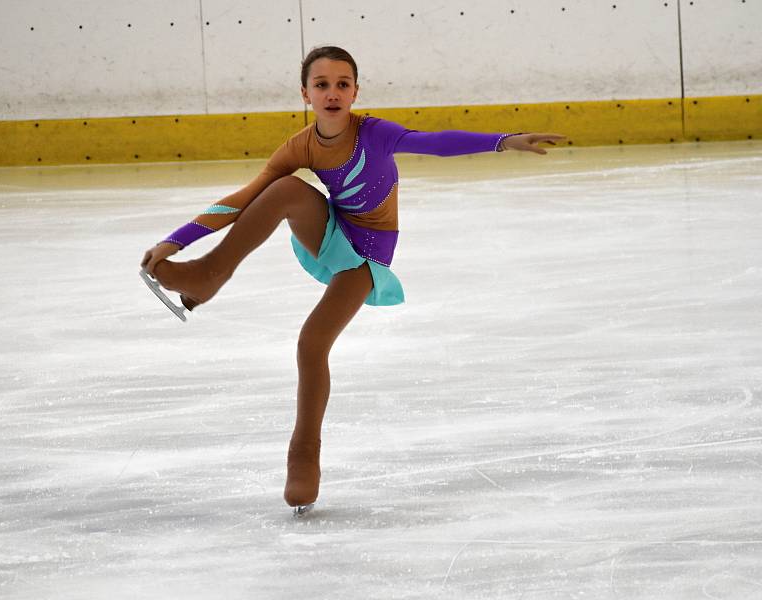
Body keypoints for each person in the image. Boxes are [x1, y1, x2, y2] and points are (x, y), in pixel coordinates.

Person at [140, 46, 564, 510]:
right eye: (322, 84)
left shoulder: (375, 134)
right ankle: (207, 275)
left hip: (367, 254)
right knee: (282, 188)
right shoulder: (300, 145)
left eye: (343, 84)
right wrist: (176, 241)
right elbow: (244, 197)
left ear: (356, 91)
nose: (333, 93)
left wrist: (502, 141)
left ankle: (304, 454)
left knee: (311, 342)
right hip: (329, 231)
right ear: (306, 93)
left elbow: (436, 141)